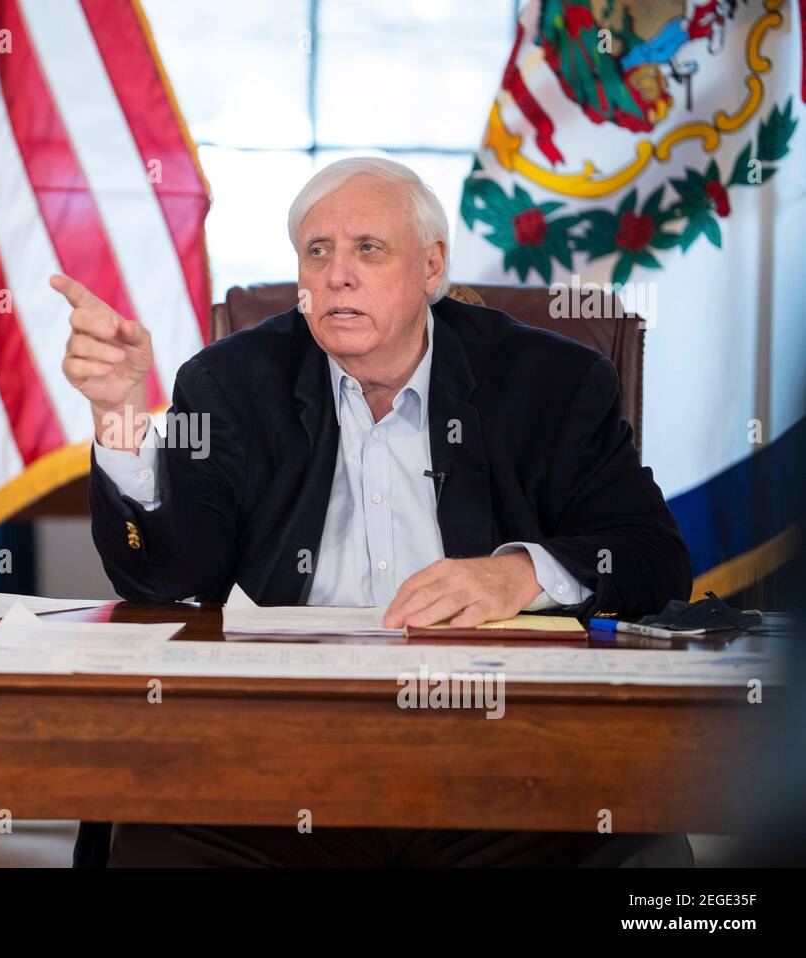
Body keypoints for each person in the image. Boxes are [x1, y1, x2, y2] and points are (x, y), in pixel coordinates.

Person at [50, 156, 693, 867]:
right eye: (317, 252)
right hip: (278, 760)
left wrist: (518, 576)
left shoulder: (550, 383)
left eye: (368, 249)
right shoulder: (231, 383)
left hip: (503, 754)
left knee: (636, 844)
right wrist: (119, 416)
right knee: (151, 839)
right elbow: (164, 576)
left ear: (431, 266)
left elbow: (653, 559)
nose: (337, 275)